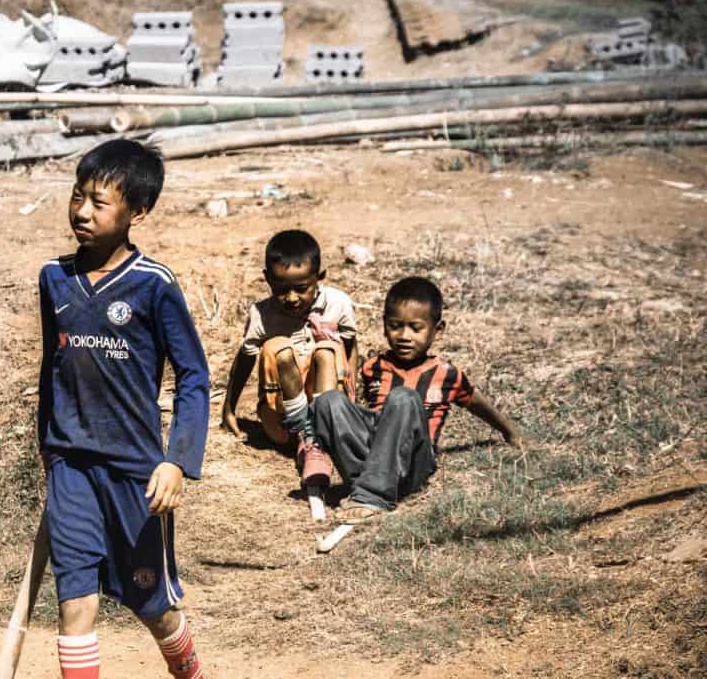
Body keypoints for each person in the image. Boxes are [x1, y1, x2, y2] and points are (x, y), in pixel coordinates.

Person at [37, 139, 209, 679]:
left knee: (152, 606)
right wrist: (49, 445)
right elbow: (53, 367)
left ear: (138, 212)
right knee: (76, 603)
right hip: (70, 466)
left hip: (135, 472)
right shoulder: (54, 278)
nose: (82, 212)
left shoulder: (152, 286)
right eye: (77, 196)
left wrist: (177, 460)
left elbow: (194, 376)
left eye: (99, 202)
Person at [311, 276, 523, 524]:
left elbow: (478, 403)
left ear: (438, 329)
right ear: (384, 326)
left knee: (403, 398)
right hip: (375, 458)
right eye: (395, 326)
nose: (404, 335)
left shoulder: (447, 374)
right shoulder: (374, 367)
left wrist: (511, 432)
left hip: (414, 464)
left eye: (415, 327)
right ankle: (366, 482)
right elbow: (360, 419)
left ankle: (373, 496)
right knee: (328, 401)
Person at [220, 230, 358, 509]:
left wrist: (352, 405)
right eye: (282, 289)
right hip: (281, 424)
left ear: (320, 277)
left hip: (331, 419)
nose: (292, 297)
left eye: (302, 288)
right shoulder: (262, 314)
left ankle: (318, 437)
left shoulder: (338, 304)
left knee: (328, 350)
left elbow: (351, 349)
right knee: (279, 347)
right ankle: (304, 434)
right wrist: (229, 408)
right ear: (267, 279)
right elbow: (245, 358)